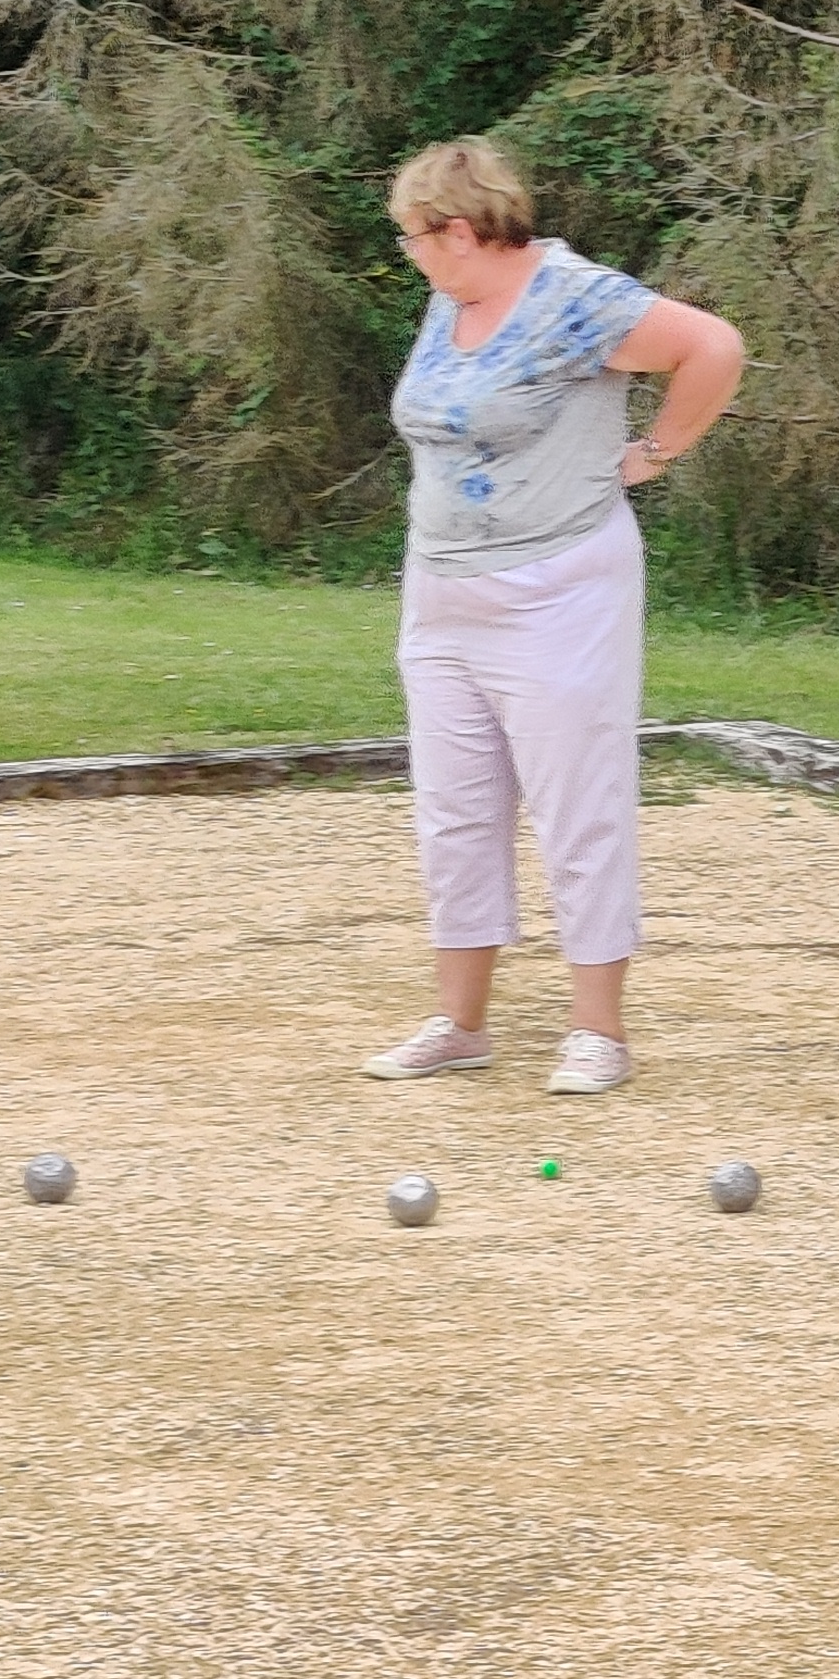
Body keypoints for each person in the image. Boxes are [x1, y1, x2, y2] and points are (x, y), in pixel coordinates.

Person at [359, 138, 746, 1096]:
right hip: (443, 593)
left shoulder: (577, 298)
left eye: (411, 236)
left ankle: (597, 1030)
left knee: (578, 805)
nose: (407, 254)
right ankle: (460, 1022)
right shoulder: (448, 301)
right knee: (455, 811)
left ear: (456, 231)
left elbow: (713, 347)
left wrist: (655, 451)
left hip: (557, 588)